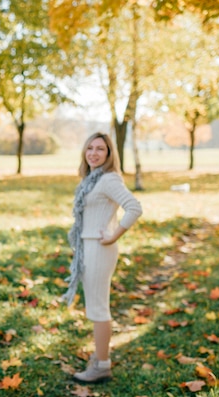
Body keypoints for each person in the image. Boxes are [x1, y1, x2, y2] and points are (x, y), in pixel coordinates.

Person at [63, 132, 142, 383]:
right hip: (89, 248)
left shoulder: (108, 179)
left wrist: (113, 235)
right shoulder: (91, 179)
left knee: (98, 308)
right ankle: (100, 357)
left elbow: (134, 207)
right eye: (90, 148)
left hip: (99, 248)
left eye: (100, 149)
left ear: (109, 155)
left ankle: (102, 365)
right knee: (96, 306)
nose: (94, 153)